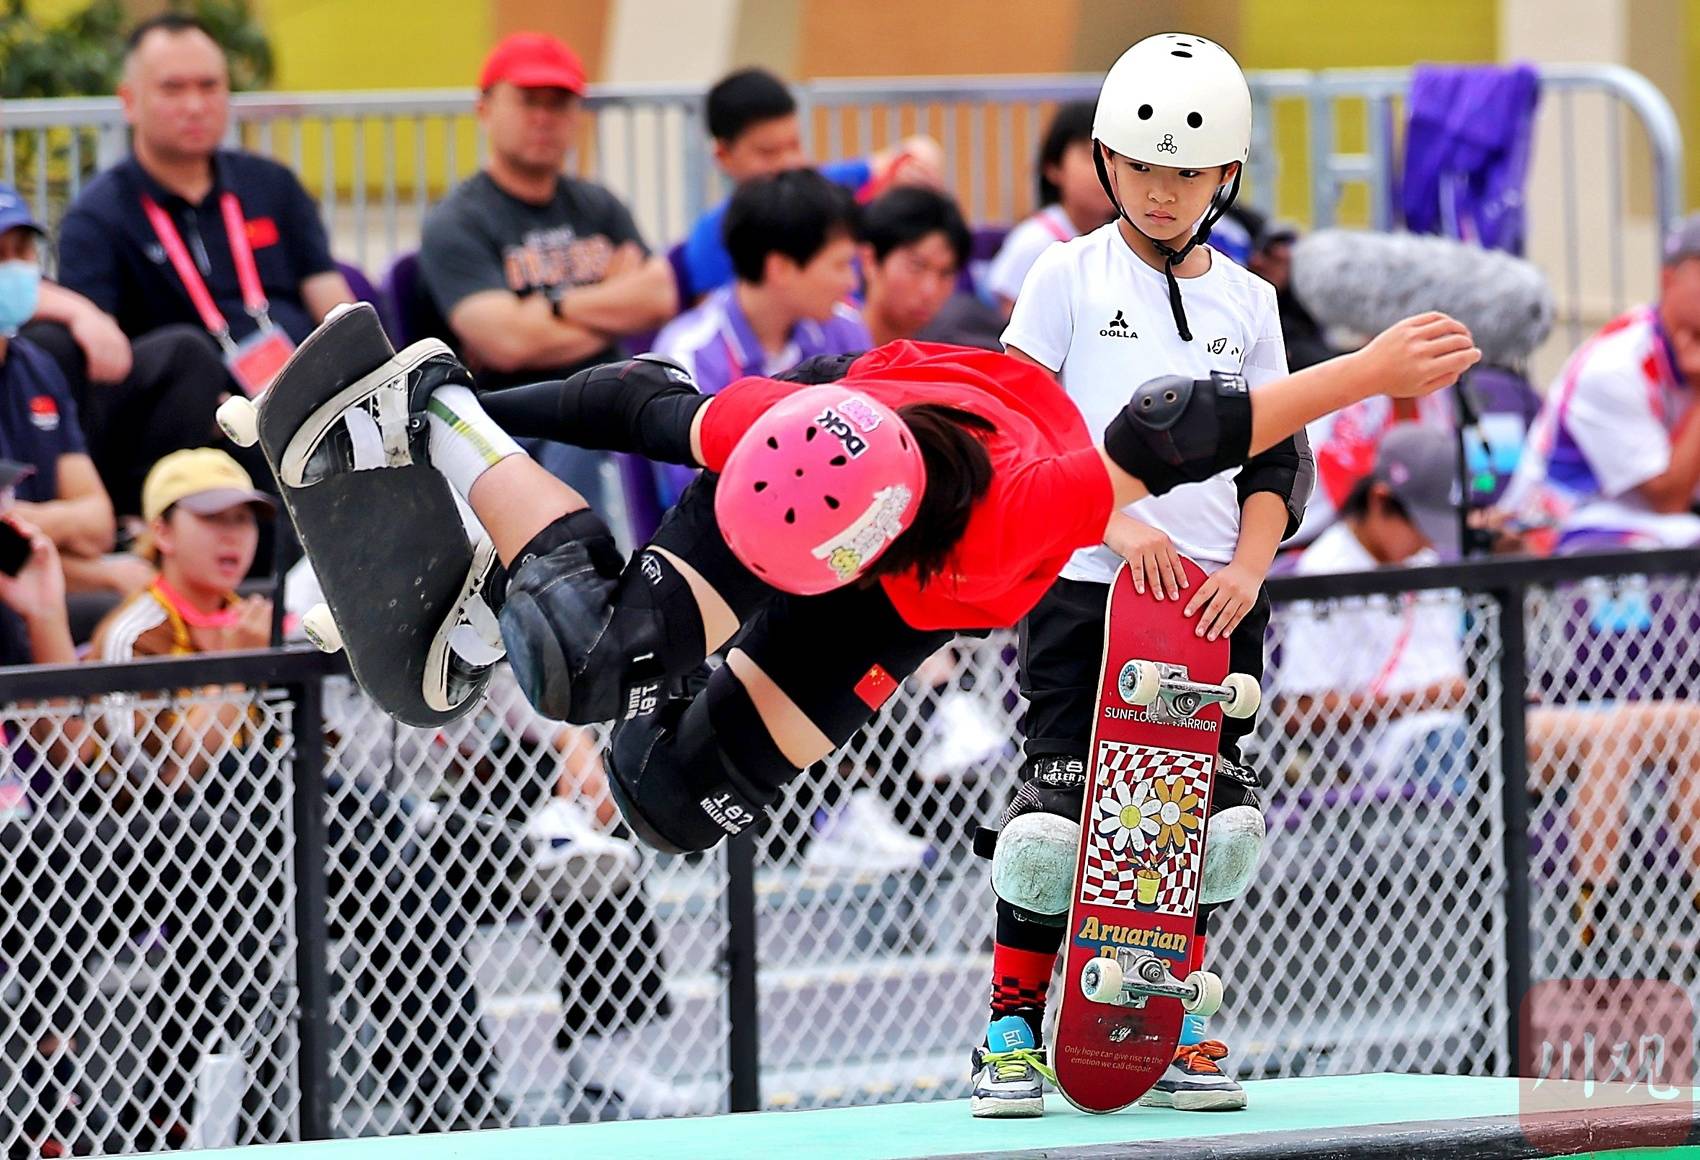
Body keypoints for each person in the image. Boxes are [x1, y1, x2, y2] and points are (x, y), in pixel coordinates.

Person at [987, 33, 1307, 1115]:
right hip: (1085, 585)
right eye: (1139, 165)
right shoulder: (1064, 276)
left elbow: (1277, 456)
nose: (1161, 191)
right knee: (1054, 822)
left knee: (1197, 826)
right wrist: (1118, 524)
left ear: (1227, 177)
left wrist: (1250, 570)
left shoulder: (1249, 303)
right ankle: (1009, 1030)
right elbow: (1017, 433)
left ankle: (1171, 1026)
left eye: (1187, 171)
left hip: (1211, 604)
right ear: (1103, 162)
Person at [1277, 426, 1700, 967]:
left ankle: (1682, 905)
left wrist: (1505, 554)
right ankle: (1599, 924)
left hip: (1476, 721)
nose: (1428, 541)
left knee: (1684, 723)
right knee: (1614, 732)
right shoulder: (1328, 569)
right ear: (1380, 502)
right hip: (1408, 746)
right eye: (1420, 522)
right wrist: (1428, 698)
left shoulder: (1420, 558)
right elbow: (1299, 713)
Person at [419, 32, 677, 506]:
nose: (543, 118)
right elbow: (507, 343)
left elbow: (659, 297)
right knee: (580, 440)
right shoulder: (457, 220)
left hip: (618, 398)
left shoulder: (599, 205)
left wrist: (555, 308)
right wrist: (612, 300)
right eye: (528, 101)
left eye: (558, 104)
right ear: (485, 109)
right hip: (511, 420)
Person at [55, 15, 353, 386]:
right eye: (173, 89)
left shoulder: (273, 184)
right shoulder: (97, 216)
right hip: (192, 406)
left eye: (209, 86)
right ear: (129, 102)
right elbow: (104, 357)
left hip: (308, 393)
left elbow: (332, 303)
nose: (195, 105)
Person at [1499, 213, 1700, 552]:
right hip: (1553, 531)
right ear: (1668, 280)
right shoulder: (1614, 365)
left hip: (1635, 526)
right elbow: (1668, 499)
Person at [677, 67, 944, 301]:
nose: (788, 163)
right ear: (724, 155)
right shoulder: (711, 236)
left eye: (795, 145)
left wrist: (911, 173)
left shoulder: (829, 187)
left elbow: (919, 151)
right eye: (768, 153)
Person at [0, 193, 141, 617]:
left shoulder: (35, 366)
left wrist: (29, 521)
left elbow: (98, 523)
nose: (13, 267)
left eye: (22, 251)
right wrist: (103, 575)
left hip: (39, 599)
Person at [653, 168, 870, 397]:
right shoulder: (690, 357)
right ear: (780, 268)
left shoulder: (846, 331)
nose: (852, 283)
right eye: (840, 265)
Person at [982, 101, 1115, 319]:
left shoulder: (1132, 241)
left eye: (1112, 157)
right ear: (1053, 167)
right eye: (1090, 156)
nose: (1105, 171)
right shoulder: (1034, 242)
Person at [859, 186, 1003, 351]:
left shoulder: (952, 352)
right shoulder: (836, 345)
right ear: (870, 260)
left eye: (946, 273)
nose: (930, 290)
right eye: (916, 267)